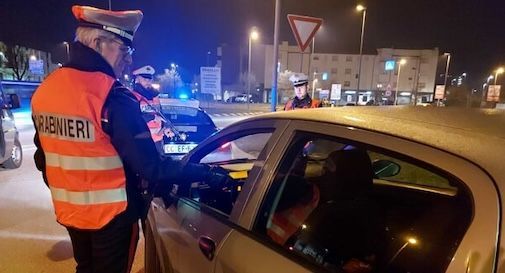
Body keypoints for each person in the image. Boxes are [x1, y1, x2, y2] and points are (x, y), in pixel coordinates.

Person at [31, 6, 223, 273]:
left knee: (85, 268)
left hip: (71, 214)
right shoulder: (111, 95)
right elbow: (151, 167)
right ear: (99, 42)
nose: (129, 60)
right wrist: (205, 173)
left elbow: (43, 158)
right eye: (124, 50)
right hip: (113, 217)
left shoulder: (47, 90)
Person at [131, 65, 173, 154]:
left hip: (158, 141)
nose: (148, 82)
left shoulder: (155, 96)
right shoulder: (132, 97)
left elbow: (160, 114)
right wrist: (152, 118)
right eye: (144, 79)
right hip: (141, 141)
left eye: (149, 79)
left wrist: (166, 128)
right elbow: (132, 118)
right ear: (137, 79)